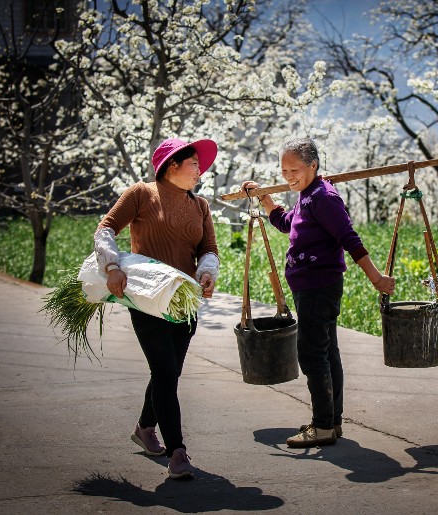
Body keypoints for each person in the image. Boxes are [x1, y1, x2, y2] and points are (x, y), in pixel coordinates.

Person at [242, 137, 395, 448]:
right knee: (326, 352)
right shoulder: (308, 196)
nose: (288, 177)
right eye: (283, 171)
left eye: (294, 169)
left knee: (312, 354)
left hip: (318, 287)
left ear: (313, 165)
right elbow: (288, 224)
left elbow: (349, 238)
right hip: (310, 287)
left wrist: (375, 277)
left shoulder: (324, 197)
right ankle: (332, 421)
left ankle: (322, 425)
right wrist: (264, 200)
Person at [94, 138, 220, 479]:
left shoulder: (201, 206)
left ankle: (145, 427)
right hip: (147, 299)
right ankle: (177, 452)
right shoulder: (141, 193)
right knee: (165, 372)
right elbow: (106, 229)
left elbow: (209, 247)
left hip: (184, 301)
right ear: (172, 165)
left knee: (168, 373)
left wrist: (206, 273)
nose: (200, 169)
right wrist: (111, 267)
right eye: (194, 163)